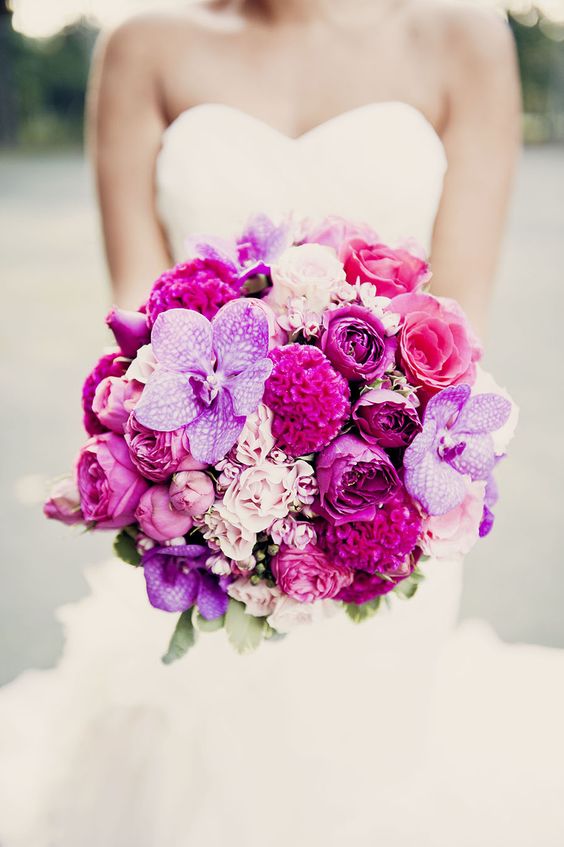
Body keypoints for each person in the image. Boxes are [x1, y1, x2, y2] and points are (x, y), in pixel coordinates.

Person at [0, 2, 562, 845]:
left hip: (391, 510)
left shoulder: (464, 36)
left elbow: (459, 326)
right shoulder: (141, 47)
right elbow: (136, 323)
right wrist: (226, 498)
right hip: (201, 517)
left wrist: (360, 485)